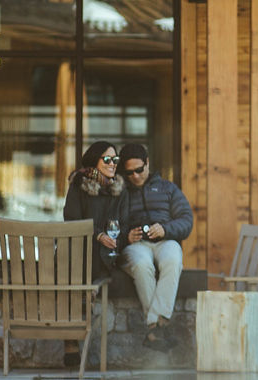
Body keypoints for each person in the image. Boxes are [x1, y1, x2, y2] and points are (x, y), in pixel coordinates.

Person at [117, 143, 193, 351]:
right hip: (136, 244)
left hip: (165, 240)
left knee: (173, 259)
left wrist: (166, 229)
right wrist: (126, 236)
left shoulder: (168, 188)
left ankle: (154, 328)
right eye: (129, 172)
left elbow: (186, 219)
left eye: (139, 170)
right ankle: (158, 327)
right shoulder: (120, 193)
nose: (135, 176)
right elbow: (111, 227)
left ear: (148, 163)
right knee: (141, 265)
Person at [62, 140, 125, 367]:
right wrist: (97, 234)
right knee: (74, 268)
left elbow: (121, 222)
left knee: (87, 270)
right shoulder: (80, 184)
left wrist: (112, 238)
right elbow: (72, 219)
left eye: (115, 159)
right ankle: (71, 340)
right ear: (94, 160)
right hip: (78, 248)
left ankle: (74, 336)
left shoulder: (118, 189)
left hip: (104, 252)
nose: (112, 163)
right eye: (107, 159)